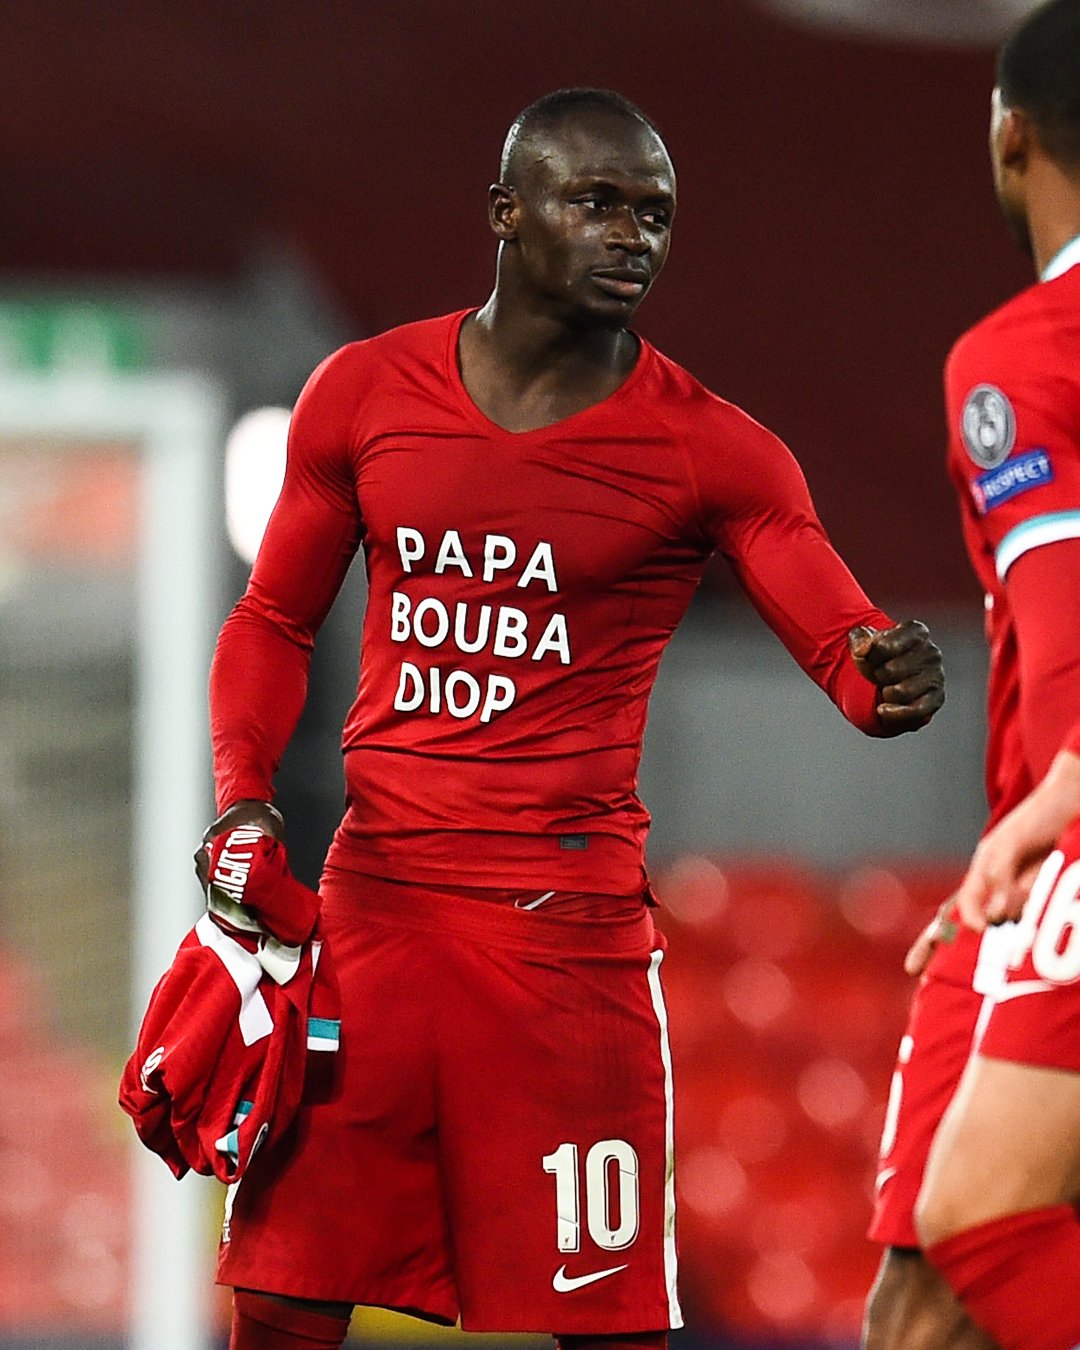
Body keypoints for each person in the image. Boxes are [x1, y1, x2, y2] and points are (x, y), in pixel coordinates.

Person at [202, 88, 945, 1350]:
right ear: (506, 213)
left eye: (653, 215)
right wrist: (242, 793)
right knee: (278, 1296)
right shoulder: (363, 393)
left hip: (568, 948)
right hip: (375, 912)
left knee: (608, 1329)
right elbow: (273, 620)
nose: (632, 237)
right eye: (597, 204)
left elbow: (850, 655)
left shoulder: (717, 452)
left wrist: (892, 677)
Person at [863, 3, 1080, 1347]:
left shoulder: (1021, 357)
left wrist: (1053, 808)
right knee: (918, 1304)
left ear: (1010, 140)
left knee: (983, 1218)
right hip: (1027, 846)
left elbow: (1067, 633)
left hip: (1063, 815)